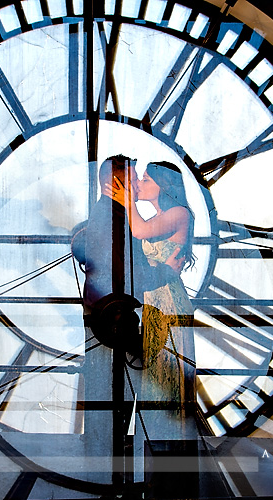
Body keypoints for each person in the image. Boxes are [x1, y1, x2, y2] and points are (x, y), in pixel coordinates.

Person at [106, 160, 196, 430]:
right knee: (157, 373)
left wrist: (127, 197)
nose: (139, 184)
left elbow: (139, 231)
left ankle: (171, 440)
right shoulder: (158, 218)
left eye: (145, 179)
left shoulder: (180, 213)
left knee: (168, 372)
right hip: (155, 303)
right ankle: (160, 436)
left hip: (169, 303)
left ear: (163, 185)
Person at [81, 155, 184, 354]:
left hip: (113, 316)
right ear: (119, 184)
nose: (138, 184)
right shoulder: (114, 217)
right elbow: (126, 273)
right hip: (116, 318)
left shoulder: (111, 212)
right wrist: (166, 272)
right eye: (135, 179)